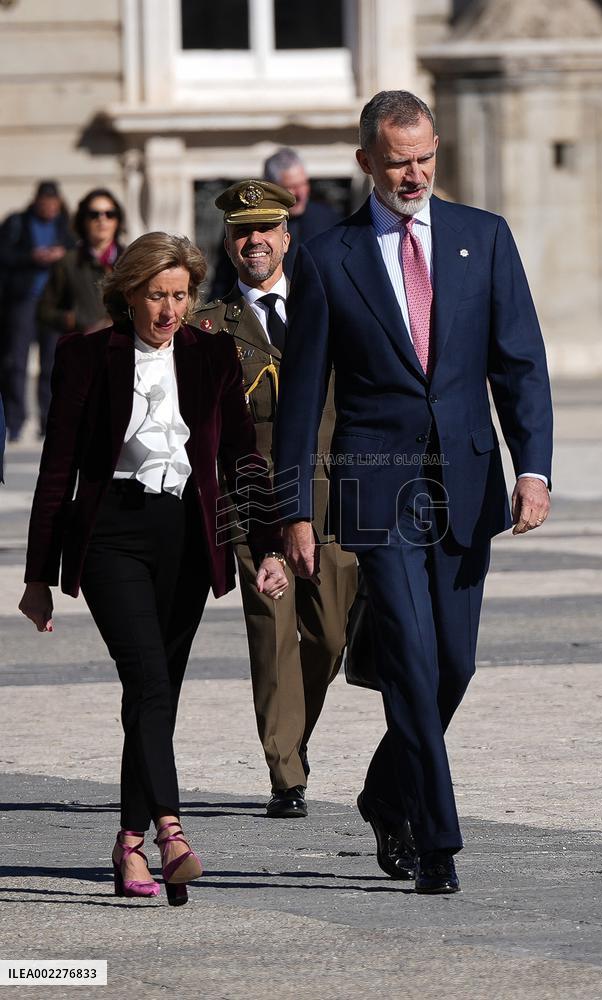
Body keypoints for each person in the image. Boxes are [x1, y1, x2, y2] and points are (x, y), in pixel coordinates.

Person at [274, 91, 553, 894]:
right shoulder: (328, 258)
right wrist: (294, 508)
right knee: (410, 656)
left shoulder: (483, 239)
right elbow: (301, 397)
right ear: (366, 161)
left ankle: (384, 792)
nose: (415, 173)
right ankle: (437, 841)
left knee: (454, 665)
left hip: (465, 483)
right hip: (377, 489)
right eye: (399, 160)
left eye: (425, 156)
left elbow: (520, 364)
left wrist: (533, 468)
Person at [19, 232, 288, 906]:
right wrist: (37, 576)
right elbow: (58, 469)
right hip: (110, 532)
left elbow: (243, 460)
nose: (170, 310)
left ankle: (128, 843)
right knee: (145, 678)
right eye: (156, 296)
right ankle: (172, 834)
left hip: (187, 540)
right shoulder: (87, 356)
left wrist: (270, 545)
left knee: (155, 694)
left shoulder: (212, 354)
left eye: (180, 296)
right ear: (128, 294)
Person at [195, 180, 357, 818]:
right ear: (228, 245)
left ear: (288, 237)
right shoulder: (208, 330)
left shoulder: (334, 310)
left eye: (266, 230)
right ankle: (285, 772)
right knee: (272, 629)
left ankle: (293, 737)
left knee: (329, 633)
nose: (254, 242)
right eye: (241, 233)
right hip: (254, 498)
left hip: (333, 494)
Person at [0, 180, 74, 440]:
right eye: (45, 202)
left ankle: (47, 420)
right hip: (23, 300)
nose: (50, 208)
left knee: (52, 364)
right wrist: (33, 256)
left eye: (54, 203)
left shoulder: (66, 226)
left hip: (53, 303)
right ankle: (15, 421)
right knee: (16, 362)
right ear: (37, 201)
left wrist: (61, 253)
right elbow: (4, 254)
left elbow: (76, 255)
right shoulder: (17, 223)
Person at [211, 149, 339, 298]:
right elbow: (223, 279)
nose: (300, 193)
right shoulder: (242, 225)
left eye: (303, 184)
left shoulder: (327, 219)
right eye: (290, 187)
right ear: (271, 188)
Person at [38, 188, 125, 337]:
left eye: (110, 214)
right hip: (83, 346)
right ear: (83, 220)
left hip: (123, 344)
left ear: (117, 220)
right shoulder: (68, 262)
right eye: (94, 214)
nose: (102, 219)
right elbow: (44, 309)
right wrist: (69, 319)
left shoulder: (131, 259)